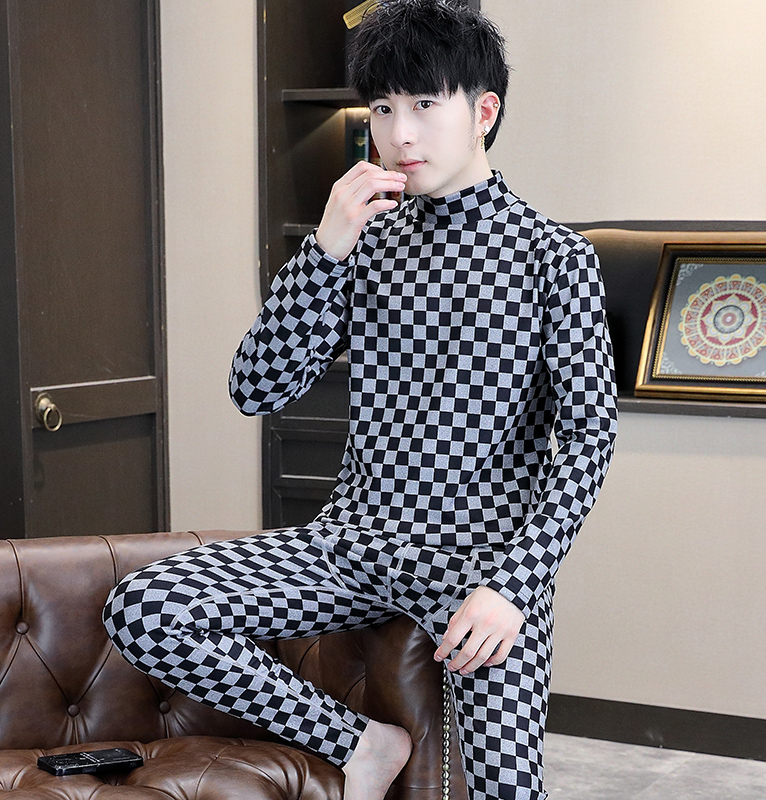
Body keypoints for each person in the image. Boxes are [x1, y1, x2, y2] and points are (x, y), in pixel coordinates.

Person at [103, 1, 618, 798]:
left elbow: (587, 440)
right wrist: (324, 249)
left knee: (507, 789)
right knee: (143, 607)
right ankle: (361, 743)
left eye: (425, 104)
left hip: (477, 565)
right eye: (382, 108)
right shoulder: (362, 244)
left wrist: (516, 585)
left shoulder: (554, 257)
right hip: (348, 546)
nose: (399, 133)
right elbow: (257, 387)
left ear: (483, 112)